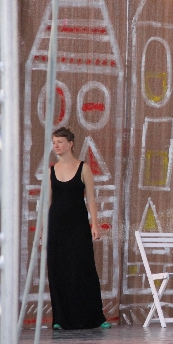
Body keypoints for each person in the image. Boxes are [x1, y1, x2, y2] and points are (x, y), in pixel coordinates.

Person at [47, 127, 110, 330]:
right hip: (57, 225)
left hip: (78, 224)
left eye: (60, 141)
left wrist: (95, 224)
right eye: (54, 142)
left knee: (83, 268)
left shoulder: (83, 168)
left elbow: (91, 198)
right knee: (58, 269)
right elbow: (48, 202)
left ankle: (96, 317)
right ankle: (60, 318)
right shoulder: (51, 170)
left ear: (70, 143)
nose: (56, 145)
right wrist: (42, 230)